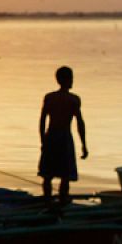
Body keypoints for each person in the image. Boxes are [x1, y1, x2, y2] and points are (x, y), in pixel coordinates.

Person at [38, 65, 88, 204]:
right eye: (71, 78)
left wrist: (43, 140)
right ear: (64, 80)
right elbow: (80, 123)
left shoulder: (50, 98)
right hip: (63, 137)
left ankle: (49, 200)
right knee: (63, 175)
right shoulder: (73, 99)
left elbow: (42, 121)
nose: (72, 81)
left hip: (52, 136)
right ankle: (60, 201)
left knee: (49, 174)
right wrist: (84, 145)